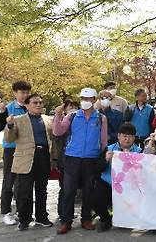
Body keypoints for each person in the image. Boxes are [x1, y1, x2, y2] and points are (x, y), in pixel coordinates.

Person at [53, 87, 108, 234]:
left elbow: (103, 141)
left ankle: (86, 220)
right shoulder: (72, 116)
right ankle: (66, 221)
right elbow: (58, 131)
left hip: (91, 159)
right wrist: (58, 115)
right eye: (83, 99)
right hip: (72, 158)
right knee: (68, 190)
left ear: (94, 100)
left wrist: (98, 154)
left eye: (89, 99)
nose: (85, 102)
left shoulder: (101, 118)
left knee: (88, 191)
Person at [4, 93, 55, 230]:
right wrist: (9, 125)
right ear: (27, 105)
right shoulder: (18, 120)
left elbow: (52, 138)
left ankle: (41, 217)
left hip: (43, 157)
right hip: (25, 159)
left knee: (41, 190)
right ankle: (25, 219)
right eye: (35, 103)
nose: (38, 105)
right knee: (24, 192)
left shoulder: (47, 119)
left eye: (40, 102)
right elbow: (9, 139)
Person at [93, 123, 145, 232]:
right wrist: (105, 160)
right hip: (108, 184)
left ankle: (126, 218)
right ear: (118, 136)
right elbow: (97, 168)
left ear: (134, 138)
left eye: (130, 136)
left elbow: (144, 171)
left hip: (129, 188)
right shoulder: (109, 149)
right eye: (124, 136)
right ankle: (106, 219)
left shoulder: (139, 152)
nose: (127, 139)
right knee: (95, 198)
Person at [0, 80, 31, 226]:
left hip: (26, 148)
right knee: (9, 180)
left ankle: (23, 212)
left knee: (23, 182)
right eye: (22, 92)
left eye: (27, 92)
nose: (25, 95)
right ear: (15, 93)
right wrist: (2, 113)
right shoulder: (8, 108)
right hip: (11, 149)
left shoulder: (31, 106)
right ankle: (6, 212)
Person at [51, 99, 77, 219]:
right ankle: (63, 212)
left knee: (72, 187)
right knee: (65, 187)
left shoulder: (77, 120)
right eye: (70, 106)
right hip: (63, 159)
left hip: (74, 159)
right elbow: (56, 135)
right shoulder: (60, 121)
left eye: (74, 106)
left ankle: (68, 212)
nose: (72, 108)